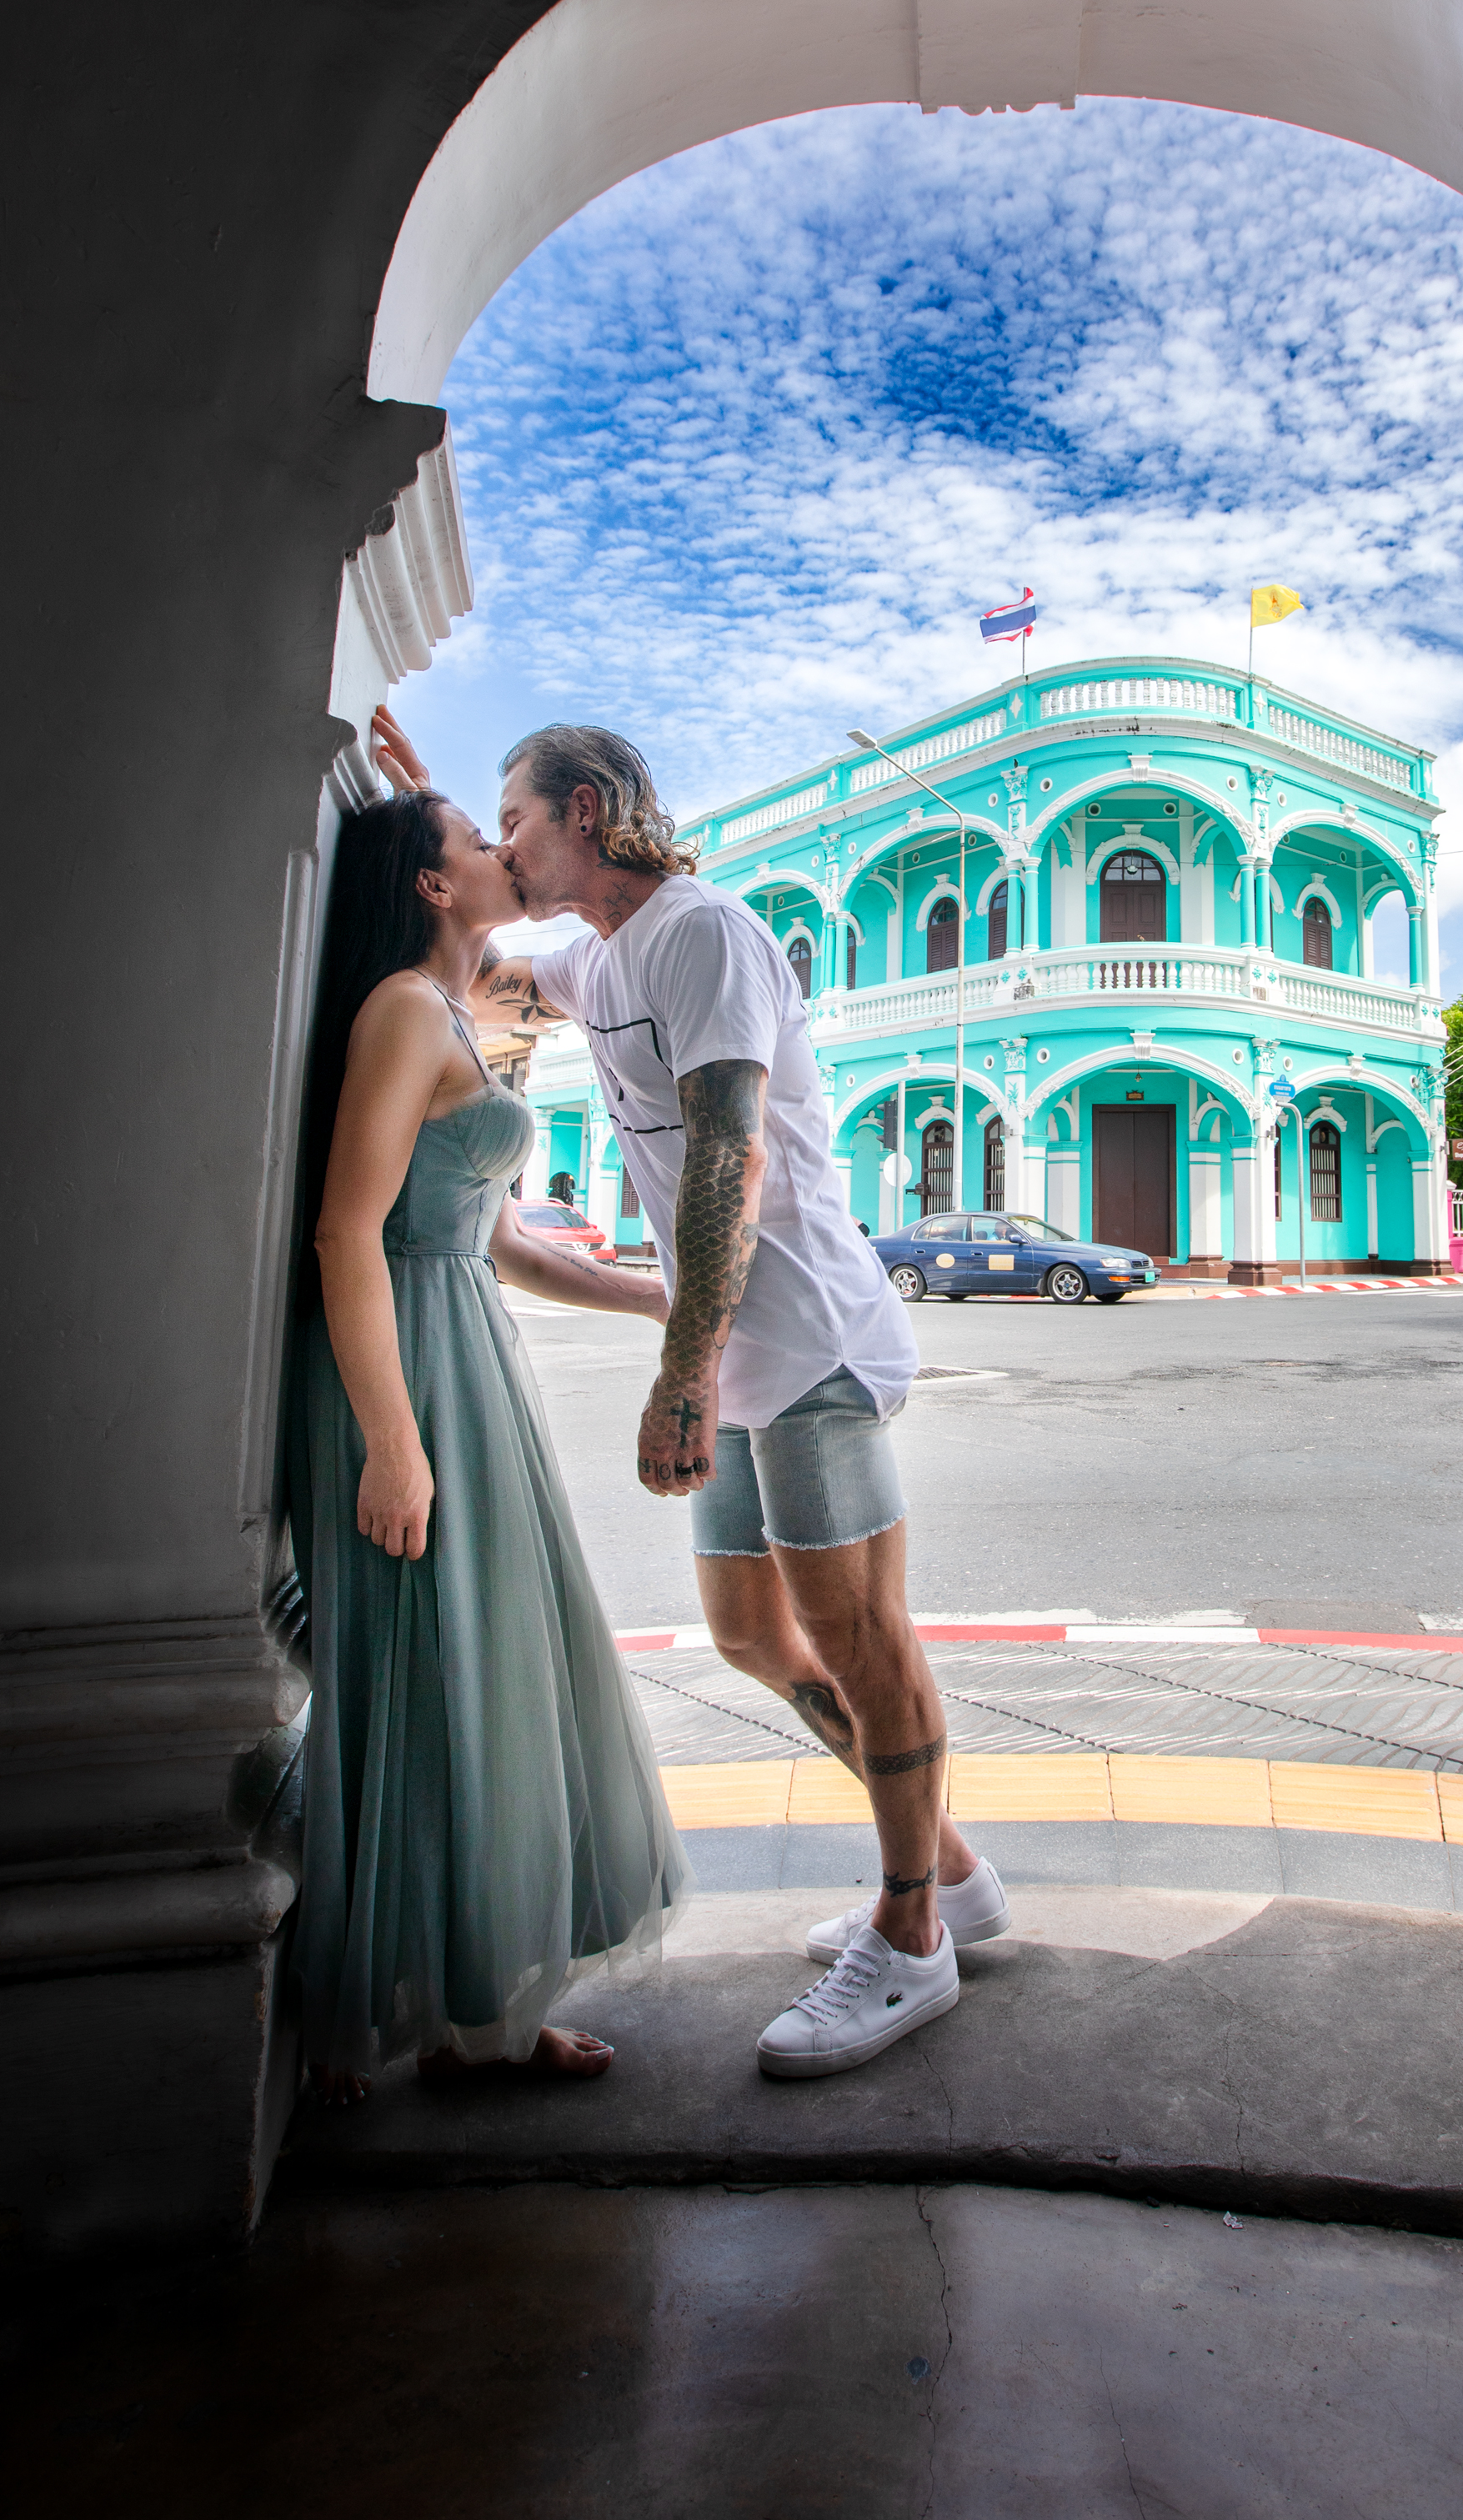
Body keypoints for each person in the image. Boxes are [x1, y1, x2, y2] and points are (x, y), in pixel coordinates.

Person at [372, 704, 1010, 2079]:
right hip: (732, 1354)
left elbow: (733, 1153)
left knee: (860, 1637)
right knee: (750, 1635)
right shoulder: (596, 957)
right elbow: (479, 949)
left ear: (586, 811)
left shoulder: (702, 933)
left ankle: (912, 1938)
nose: (505, 845)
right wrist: (418, 809)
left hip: (806, 1340)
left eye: (516, 820)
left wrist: (683, 1370)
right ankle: (953, 1874)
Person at [291, 784, 689, 2104]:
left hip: (462, 1350)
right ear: (430, 883)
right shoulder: (406, 1009)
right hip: (407, 1369)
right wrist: (391, 1444)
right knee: (431, 1667)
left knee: (474, 1665)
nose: (502, 847)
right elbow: (348, 1231)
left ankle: (475, 2013)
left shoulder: (452, 1009)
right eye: (477, 836)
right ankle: (450, 2015)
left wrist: (663, 1297)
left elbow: (503, 1241)